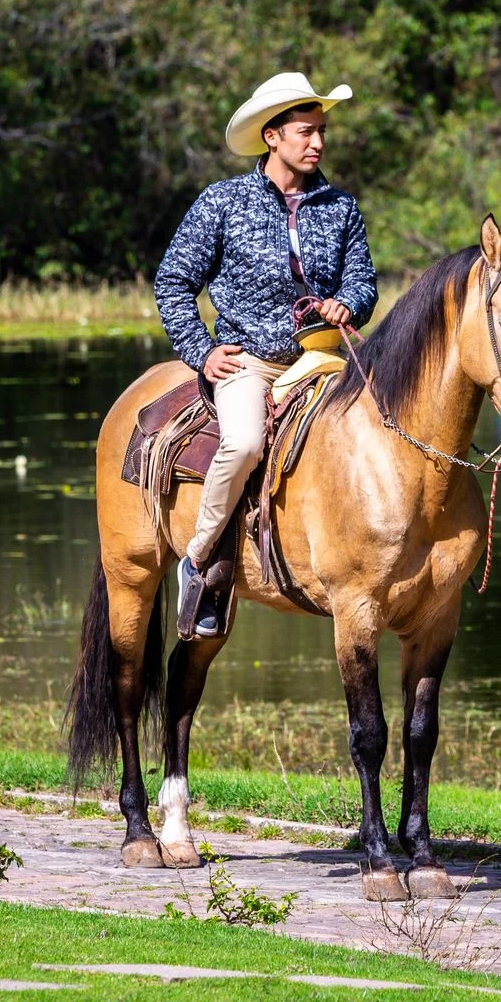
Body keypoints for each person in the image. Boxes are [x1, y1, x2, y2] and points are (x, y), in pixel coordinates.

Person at [154, 72, 378, 637]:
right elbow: (173, 281)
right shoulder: (223, 203)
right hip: (248, 360)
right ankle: (199, 561)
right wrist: (202, 351)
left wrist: (345, 304)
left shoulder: (341, 207)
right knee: (247, 442)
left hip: (323, 357)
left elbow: (364, 283)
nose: (318, 143)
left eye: (322, 131)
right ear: (272, 136)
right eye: (306, 132)